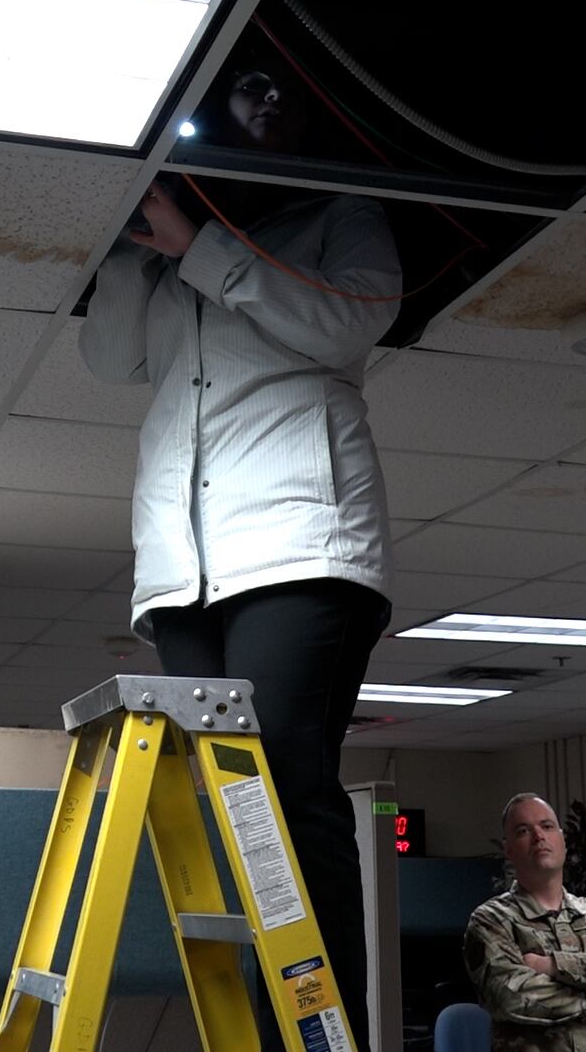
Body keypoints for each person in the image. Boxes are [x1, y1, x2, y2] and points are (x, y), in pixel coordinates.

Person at [78, 54, 400, 1052]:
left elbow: (352, 317)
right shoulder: (177, 261)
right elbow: (109, 359)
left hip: (302, 545)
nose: (256, 110)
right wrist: (146, 249)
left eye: (273, 95)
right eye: (240, 98)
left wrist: (204, 245)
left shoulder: (341, 210)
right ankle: (272, 1027)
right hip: (183, 566)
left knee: (287, 785)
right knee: (234, 809)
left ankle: (319, 1033)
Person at [465, 794, 586, 1052]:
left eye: (546, 826)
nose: (538, 836)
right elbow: (514, 998)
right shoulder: (492, 921)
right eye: (523, 830)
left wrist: (555, 966)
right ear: (508, 849)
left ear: (562, 839)